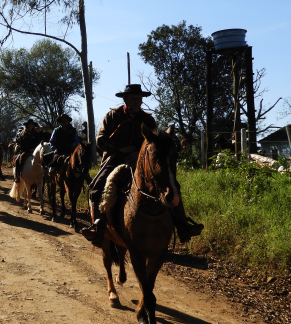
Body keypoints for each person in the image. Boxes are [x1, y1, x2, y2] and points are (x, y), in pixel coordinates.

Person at [81, 83, 203, 247]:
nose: (137, 101)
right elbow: (100, 141)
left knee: (171, 185)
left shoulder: (148, 119)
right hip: (115, 159)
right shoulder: (112, 116)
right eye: (133, 98)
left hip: (142, 163)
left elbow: (154, 143)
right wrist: (122, 148)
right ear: (125, 99)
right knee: (98, 187)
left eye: (139, 98)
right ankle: (98, 227)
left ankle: (183, 227)